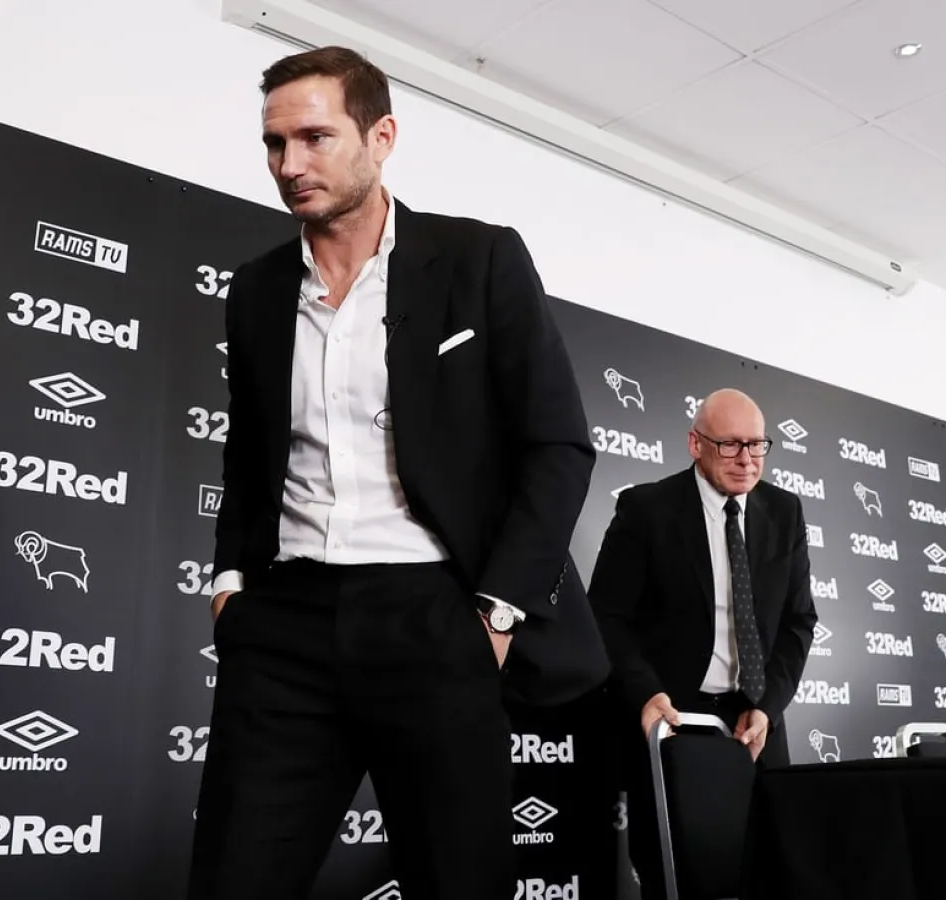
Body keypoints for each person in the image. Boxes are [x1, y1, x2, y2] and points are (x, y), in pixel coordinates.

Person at [186, 45, 609, 900]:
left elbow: (558, 445)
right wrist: (231, 584)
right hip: (285, 624)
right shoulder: (257, 289)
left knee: (459, 884)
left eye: (315, 137)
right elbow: (250, 451)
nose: (290, 164)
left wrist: (495, 613)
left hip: (436, 616)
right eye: (274, 143)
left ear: (381, 137)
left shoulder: (479, 260)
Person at [588, 388, 817, 900]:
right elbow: (606, 615)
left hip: (755, 722)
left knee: (772, 869)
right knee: (675, 875)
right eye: (730, 445)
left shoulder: (785, 512)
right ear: (696, 444)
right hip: (671, 718)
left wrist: (768, 706)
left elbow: (798, 621)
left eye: (757, 445)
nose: (746, 459)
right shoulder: (646, 509)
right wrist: (645, 693)